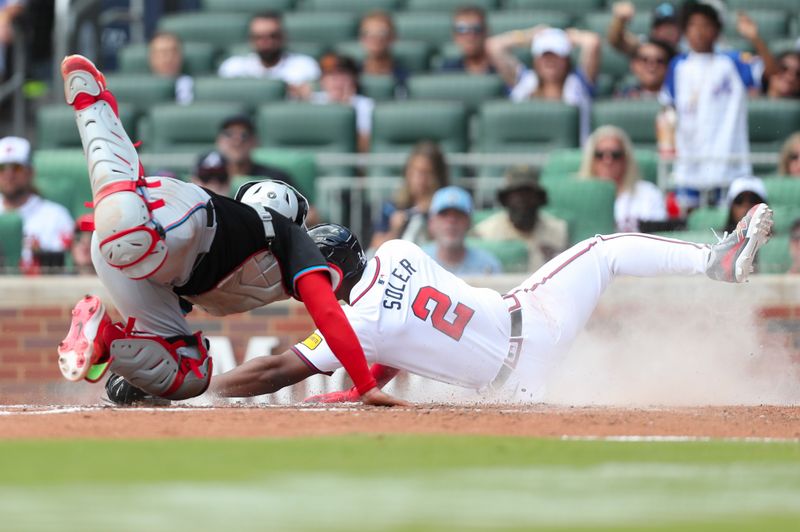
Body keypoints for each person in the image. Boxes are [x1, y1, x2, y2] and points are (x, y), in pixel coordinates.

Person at [55, 55, 404, 407]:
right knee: (129, 232)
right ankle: (92, 105)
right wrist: (365, 383)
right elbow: (329, 315)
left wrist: (143, 378)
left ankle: (104, 341)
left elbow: (169, 318)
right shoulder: (287, 235)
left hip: (149, 257)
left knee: (189, 374)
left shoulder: (256, 252)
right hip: (170, 214)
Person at [211, 205, 774, 403]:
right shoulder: (399, 249)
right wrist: (368, 380)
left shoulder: (355, 326)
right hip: (533, 318)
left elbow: (274, 369)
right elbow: (403, 331)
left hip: (519, 389)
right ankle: (712, 261)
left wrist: (201, 387)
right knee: (606, 250)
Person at [659, 2, 774, 208]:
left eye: (706, 25)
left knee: (728, 230)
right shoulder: (678, 65)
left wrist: (755, 38)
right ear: (685, 30)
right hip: (689, 165)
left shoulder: (732, 61)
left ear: (717, 30)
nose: (700, 31)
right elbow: (667, 110)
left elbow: (772, 73)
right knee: (689, 227)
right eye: (693, 25)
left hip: (729, 163)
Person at [486, 25, 601, 142]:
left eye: (556, 55)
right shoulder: (524, 81)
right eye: (544, 55)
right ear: (536, 60)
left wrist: (572, 36)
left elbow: (592, 42)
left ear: (566, 59)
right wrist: (526, 36)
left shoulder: (578, 83)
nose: (550, 61)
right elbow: (494, 46)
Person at [0, 136, 73, 274]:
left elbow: (66, 269)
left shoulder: (56, 216)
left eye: (16, 168)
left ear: (30, 172)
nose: (8, 175)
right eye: (2, 168)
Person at [473, 166, 568, 272]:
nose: (523, 200)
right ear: (506, 199)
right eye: (517, 194)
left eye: (528, 193)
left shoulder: (558, 230)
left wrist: (558, 258)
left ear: (538, 198)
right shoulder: (485, 232)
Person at [578, 126, 667, 233]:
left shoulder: (649, 194)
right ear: (591, 159)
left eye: (615, 155)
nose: (607, 161)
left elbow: (658, 237)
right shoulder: (578, 196)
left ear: (626, 159)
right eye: (600, 155)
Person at [217, 11, 320, 99]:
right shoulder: (233, 68)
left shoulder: (305, 66)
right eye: (259, 37)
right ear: (250, 39)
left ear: (283, 37)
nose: (266, 42)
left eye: (272, 36)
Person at [369, 141, 449, 250]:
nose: (420, 179)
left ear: (438, 176)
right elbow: (375, 247)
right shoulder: (392, 206)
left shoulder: (447, 209)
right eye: (415, 171)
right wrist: (395, 229)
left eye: (427, 173)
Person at [422, 186, 501, 276]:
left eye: (458, 215)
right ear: (431, 222)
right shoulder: (419, 262)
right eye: (444, 215)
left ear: (469, 222)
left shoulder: (487, 266)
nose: (451, 221)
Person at [310, 53, 374, 153]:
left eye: (342, 74)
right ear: (322, 80)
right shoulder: (311, 102)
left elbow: (367, 144)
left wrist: (346, 110)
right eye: (330, 75)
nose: (337, 81)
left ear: (354, 78)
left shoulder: (366, 105)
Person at [358, 11, 408, 96]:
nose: (375, 39)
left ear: (393, 37)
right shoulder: (352, 77)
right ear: (362, 39)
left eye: (382, 33)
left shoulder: (406, 78)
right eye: (368, 33)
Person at [608, 1, 681, 58]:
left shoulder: (687, 50)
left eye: (671, 26)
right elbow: (618, 41)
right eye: (662, 26)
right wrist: (620, 21)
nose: (667, 31)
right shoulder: (646, 45)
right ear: (654, 30)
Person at [439, 6, 494, 75]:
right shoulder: (448, 70)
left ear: (486, 32)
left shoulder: (500, 68)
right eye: (461, 29)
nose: (470, 37)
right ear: (454, 36)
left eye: (476, 29)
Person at [148, 31, 193, 105]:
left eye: (173, 52)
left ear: (181, 56)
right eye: (162, 53)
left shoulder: (192, 86)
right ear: (151, 58)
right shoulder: (140, 90)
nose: (168, 58)